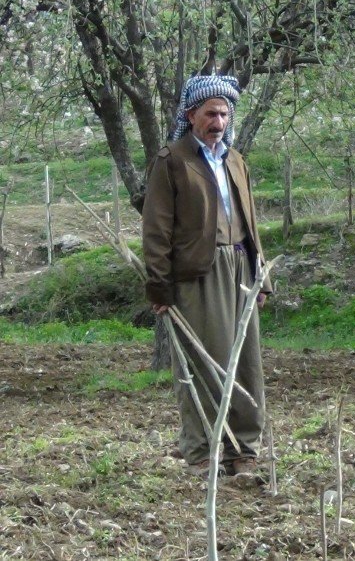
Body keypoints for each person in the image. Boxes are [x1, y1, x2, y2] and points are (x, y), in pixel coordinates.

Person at [142, 75, 272, 478]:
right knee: (203, 362)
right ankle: (203, 453)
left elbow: (250, 222)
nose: (218, 121)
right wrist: (159, 286)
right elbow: (156, 230)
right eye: (210, 113)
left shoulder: (235, 160)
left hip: (240, 269)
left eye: (224, 113)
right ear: (190, 115)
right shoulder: (172, 161)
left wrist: (261, 275)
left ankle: (244, 451)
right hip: (197, 272)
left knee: (246, 362)